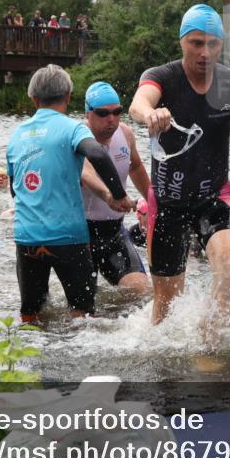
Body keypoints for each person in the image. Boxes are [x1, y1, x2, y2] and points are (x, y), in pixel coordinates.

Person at [128, 3, 230, 338]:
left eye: (212, 44)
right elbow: (139, 102)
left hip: (214, 195)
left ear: (221, 45)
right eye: (196, 43)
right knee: (164, 311)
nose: (205, 52)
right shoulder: (162, 77)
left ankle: (209, 343)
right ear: (182, 41)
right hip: (167, 203)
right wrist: (149, 114)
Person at [6, 65, 134, 323]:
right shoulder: (73, 128)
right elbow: (97, 153)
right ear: (68, 96)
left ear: (33, 99)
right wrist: (118, 195)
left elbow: (13, 188)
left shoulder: (17, 135)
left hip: (27, 238)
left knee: (32, 313)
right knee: (83, 315)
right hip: (69, 239)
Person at [79, 82, 151, 297]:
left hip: (113, 232)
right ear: (88, 114)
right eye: (103, 113)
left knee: (141, 292)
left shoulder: (126, 134)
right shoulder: (77, 138)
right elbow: (86, 171)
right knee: (83, 310)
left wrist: (155, 202)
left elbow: (136, 166)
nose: (111, 119)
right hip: (80, 234)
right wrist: (110, 195)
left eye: (116, 112)